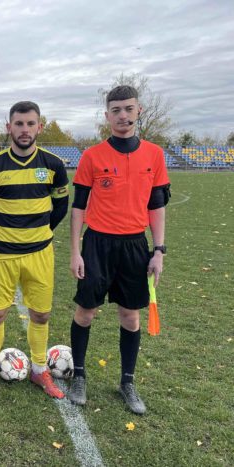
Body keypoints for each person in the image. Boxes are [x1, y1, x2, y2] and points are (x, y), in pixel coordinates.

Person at [68, 85, 170, 415]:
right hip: (97, 244)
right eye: (116, 110)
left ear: (139, 110)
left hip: (134, 246)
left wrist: (158, 250)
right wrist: (75, 251)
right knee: (85, 311)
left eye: (128, 109)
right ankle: (79, 376)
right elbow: (78, 207)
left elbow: (156, 206)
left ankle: (127, 381)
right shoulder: (92, 156)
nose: (123, 115)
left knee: (130, 315)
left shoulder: (154, 155)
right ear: (107, 115)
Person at [0, 101, 69, 400]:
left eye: (30, 124)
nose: (24, 129)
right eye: (19, 123)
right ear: (9, 127)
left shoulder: (53, 164)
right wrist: (5, 233)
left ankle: (40, 369)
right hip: (2, 254)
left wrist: (40, 231)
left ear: (39, 126)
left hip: (40, 253)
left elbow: (61, 205)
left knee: (41, 314)